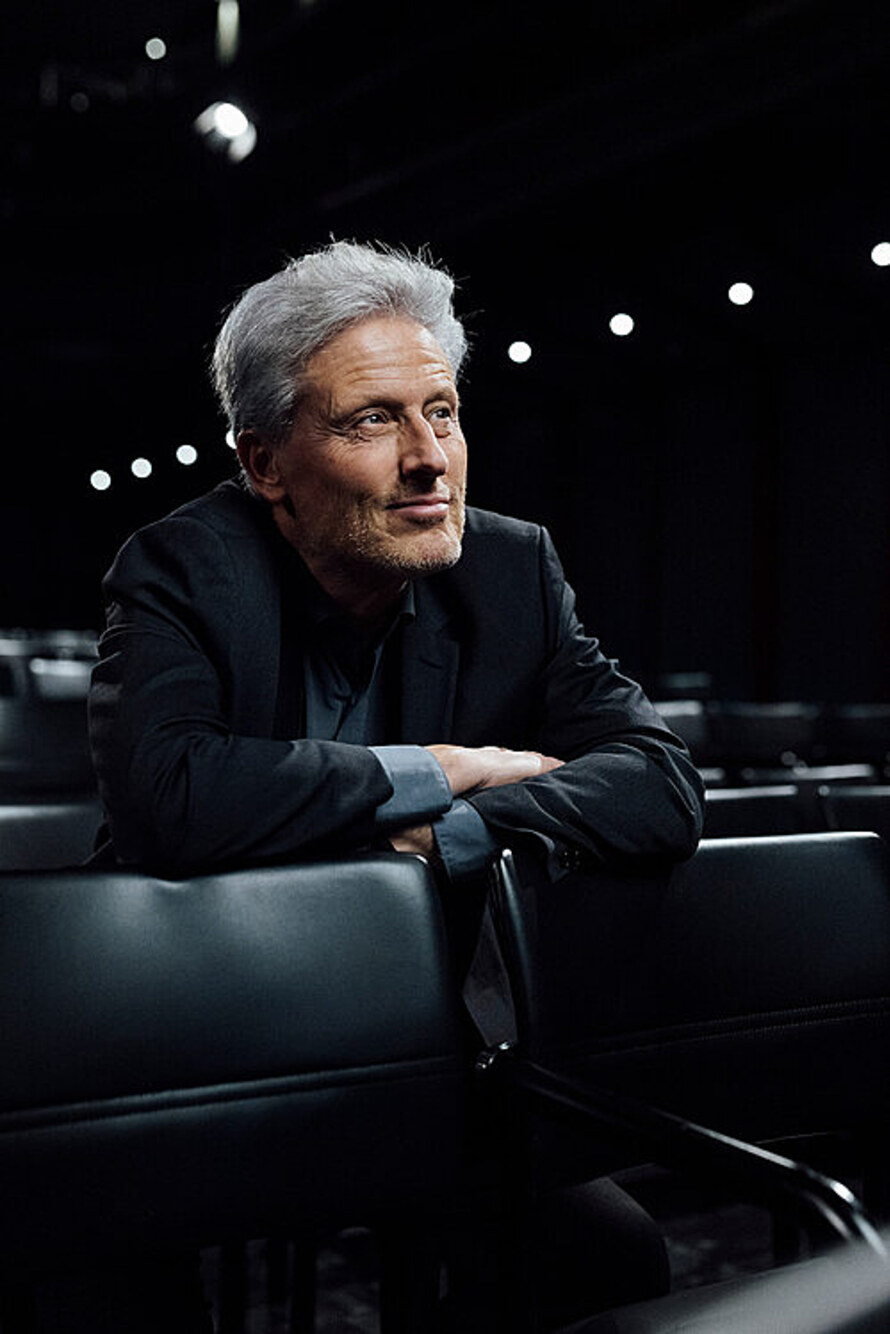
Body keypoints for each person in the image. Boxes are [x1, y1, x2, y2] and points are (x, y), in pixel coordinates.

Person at [85, 240, 704, 1330]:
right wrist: (442, 770)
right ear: (266, 464)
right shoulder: (183, 565)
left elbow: (659, 781)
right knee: (90, 1283)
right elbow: (170, 794)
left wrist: (443, 836)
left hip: (405, 1042)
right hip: (182, 1039)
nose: (430, 460)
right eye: (373, 420)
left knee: (606, 1255)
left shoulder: (511, 568)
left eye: (443, 413)